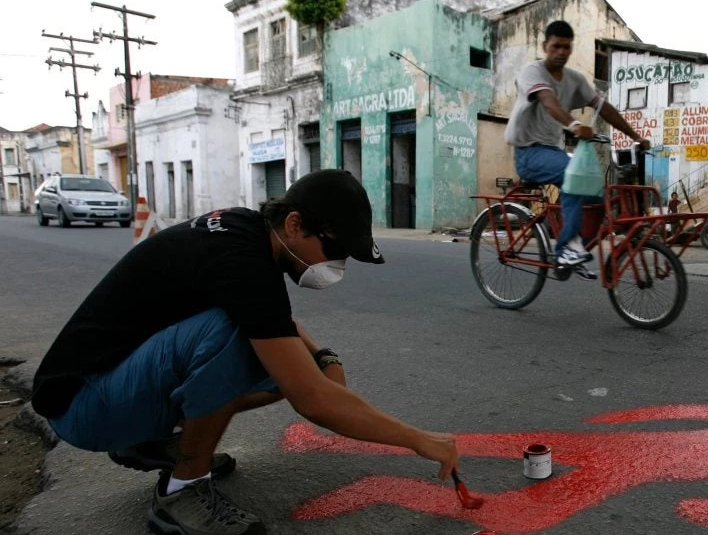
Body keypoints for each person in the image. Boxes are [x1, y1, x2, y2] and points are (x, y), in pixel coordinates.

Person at [31, 170, 459, 535]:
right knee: (239, 341)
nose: (338, 264)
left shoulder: (245, 233)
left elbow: (279, 325)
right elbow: (313, 400)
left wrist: (324, 357)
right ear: (294, 224)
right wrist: (419, 440)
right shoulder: (244, 265)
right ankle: (182, 488)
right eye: (334, 249)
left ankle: (149, 441)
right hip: (83, 405)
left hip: (109, 384)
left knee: (285, 360)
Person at [505, 20, 649, 272]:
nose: (561, 52)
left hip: (554, 151)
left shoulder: (575, 79)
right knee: (573, 174)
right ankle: (565, 250)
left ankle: (579, 245)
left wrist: (635, 136)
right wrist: (573, 124)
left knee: (594, 188)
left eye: (566, 48)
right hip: (528, 152)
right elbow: (548, 100)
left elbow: (603, 107)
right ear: (545, 46)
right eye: (556, 46)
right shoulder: (532, 72)